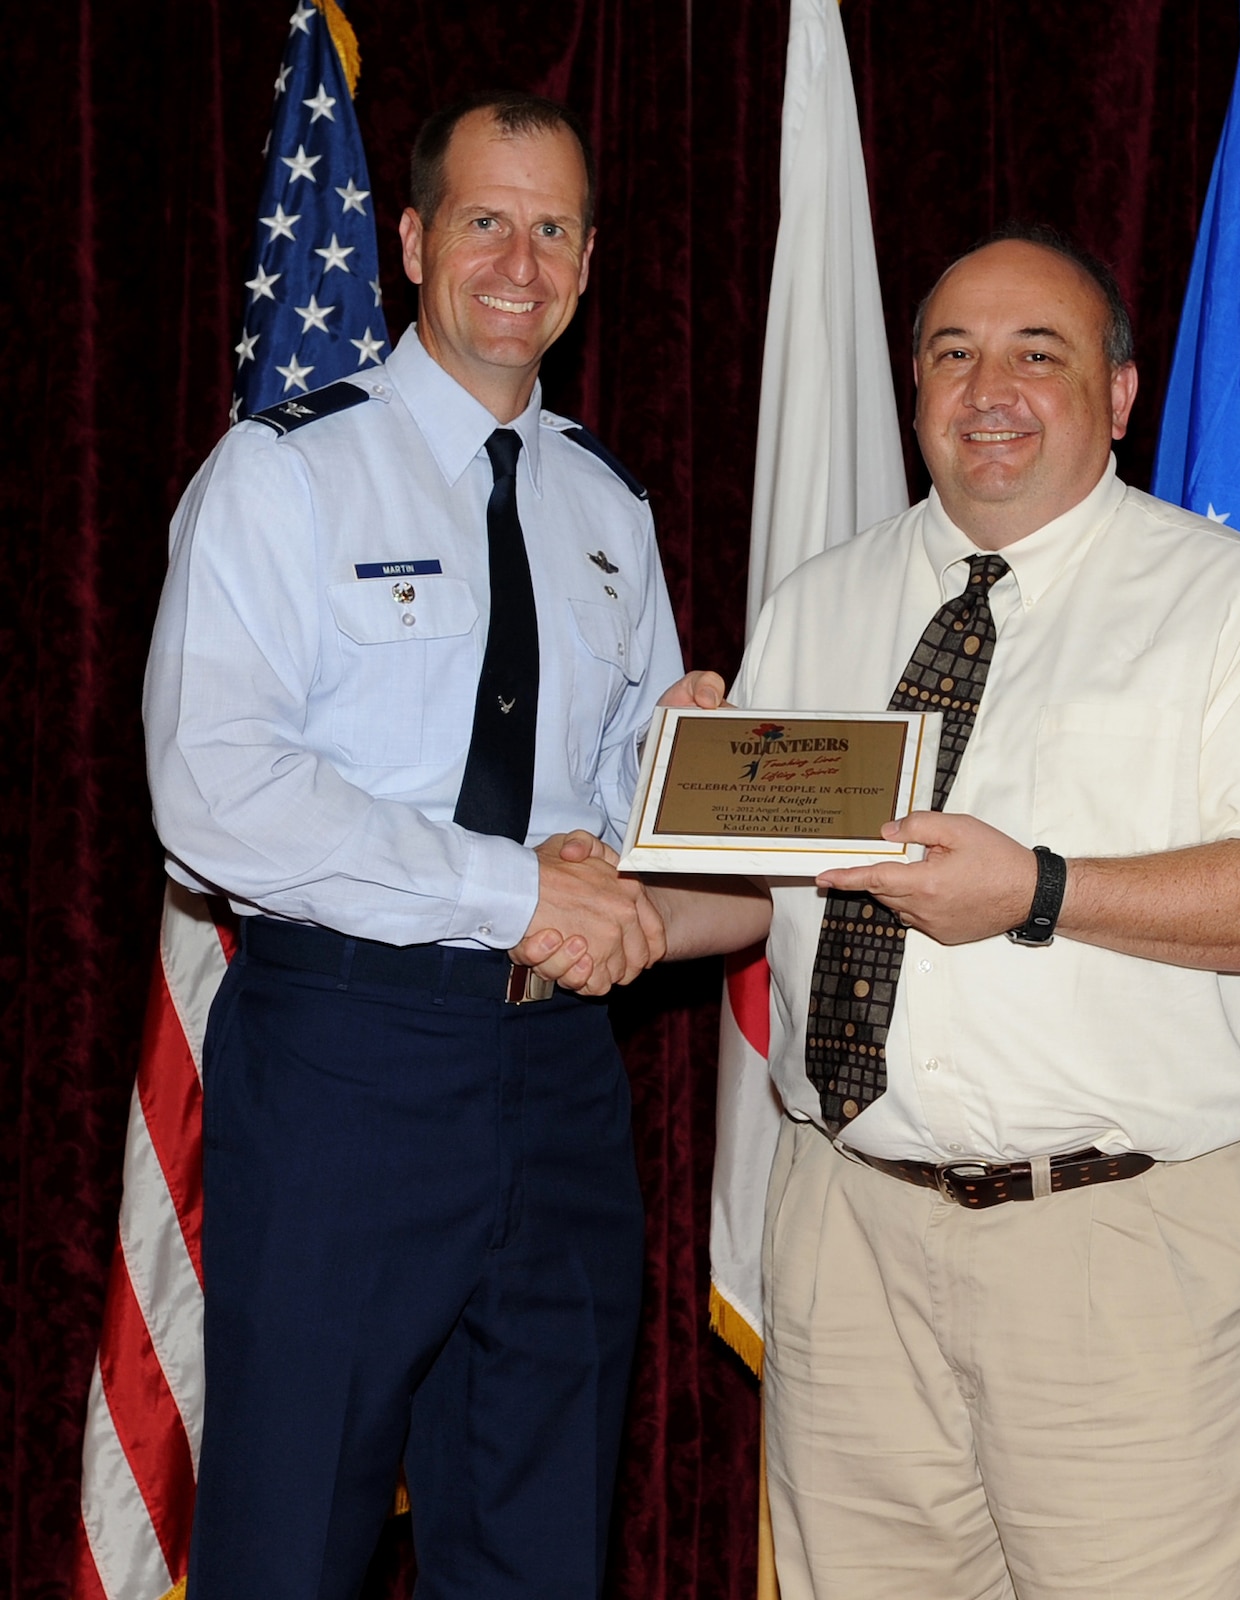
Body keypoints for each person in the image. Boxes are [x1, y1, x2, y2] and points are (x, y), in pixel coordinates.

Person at [647, 224, 1240, 1598]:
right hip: (853, 1240)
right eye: (952, 353)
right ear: (915, 389)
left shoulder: (1224, 603)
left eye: (1035, 354)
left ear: (1117, 395)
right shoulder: (818, 605)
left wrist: (1037, 891)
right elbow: (762, 901)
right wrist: (617, 897)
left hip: (1121, 1249)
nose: (989, 387)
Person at [144, 92, 692, 1598]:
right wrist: (519, 889)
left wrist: (704, 777)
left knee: (540, 1535)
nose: (522, 261)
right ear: (409, 243)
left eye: (557, 227)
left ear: (589, 259)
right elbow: (215, 793)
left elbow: (618, 815)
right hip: (346, 1059)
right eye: (486, 221)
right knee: (291, 1534)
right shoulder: (286, 473)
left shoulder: (608, 508)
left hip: (567, 1074)